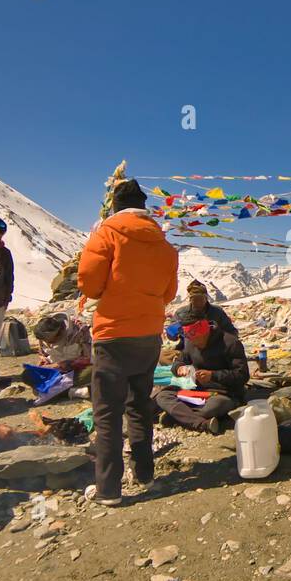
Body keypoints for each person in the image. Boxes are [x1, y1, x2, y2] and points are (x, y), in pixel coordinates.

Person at [77, 178, 178, 505]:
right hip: (148, 334)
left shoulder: (106, 235)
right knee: (139, 405)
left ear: (115, 206)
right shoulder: (164, 244)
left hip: (113, 334)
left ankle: (108, 488)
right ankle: (145, 473)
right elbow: (168, 293)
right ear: (144, 206)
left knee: (107, 412)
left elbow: (89, 283)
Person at [154, 307, 249, 435]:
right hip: (197, 391)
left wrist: (213, 375)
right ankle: (201, 423)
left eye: (196, 338)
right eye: (190, 338)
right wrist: (180, 368)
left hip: (223, 393)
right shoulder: (190, 342)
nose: (194, 342)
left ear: (205, 330)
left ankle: (179, 416)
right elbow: (179, 362)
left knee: (211, 409)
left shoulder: (230, 343)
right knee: (163, 396)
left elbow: (242, 375)